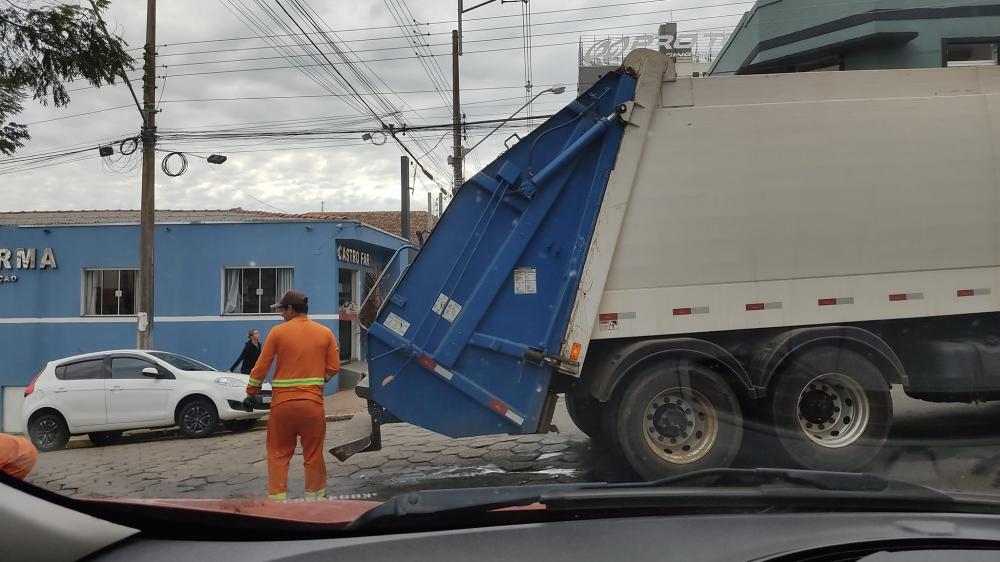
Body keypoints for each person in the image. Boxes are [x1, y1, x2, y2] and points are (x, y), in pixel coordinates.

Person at [245, 290, 339, 501]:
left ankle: (278, 504)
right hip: (312, 406)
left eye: (281, 310)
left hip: (282, 407)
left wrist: (251, 392)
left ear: (290, 309)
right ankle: (315, 501)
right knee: (313, 456)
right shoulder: (325, 333)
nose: (280, 314)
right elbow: (334, 367)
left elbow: (261, 367)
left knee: (278, 455)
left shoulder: (277, 333)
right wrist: (317, 382)